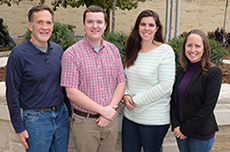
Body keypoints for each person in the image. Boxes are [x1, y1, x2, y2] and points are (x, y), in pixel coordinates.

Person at [5, 4, 72, 152]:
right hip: (36, 120)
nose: (44, 27)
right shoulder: (18, 54)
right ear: (30, 26)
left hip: (61, 116)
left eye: (48, 23)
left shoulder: (57, 50)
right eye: (39, 22)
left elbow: (63, 83)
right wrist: (19, 127)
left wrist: (69, 113)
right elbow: (12, 93)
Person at [61, 5, 126, 152]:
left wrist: (110, 109)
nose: (95, 26)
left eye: (99, 22)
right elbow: (71, 92)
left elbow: (121, 82)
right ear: (84, 25)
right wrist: (102, 110)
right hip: (86, 123)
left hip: (110, 120)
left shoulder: (113, 50)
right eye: (90, 22)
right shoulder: (72, 54)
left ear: (105, 25)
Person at [122, 10, 175, 152]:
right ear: (137, 27)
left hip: (154, 120)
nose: (146, 28)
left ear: (157, 28)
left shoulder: (165, 51)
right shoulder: (132, 49)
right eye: (143, 24)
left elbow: (165, 87)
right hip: (130, 117)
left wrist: (135, 100)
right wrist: (125, 94)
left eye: (151, 25)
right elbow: (125, 78)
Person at [170, 29, 222, 152]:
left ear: (204, 49)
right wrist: (176, 125)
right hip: (181, 132)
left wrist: (185, 129)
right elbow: (174, 100)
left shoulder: (213, 73)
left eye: (197, 46)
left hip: (200, 135)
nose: (193, 50)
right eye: (189, 45)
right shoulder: (181, 70)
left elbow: (207, 107)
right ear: (184, 48)